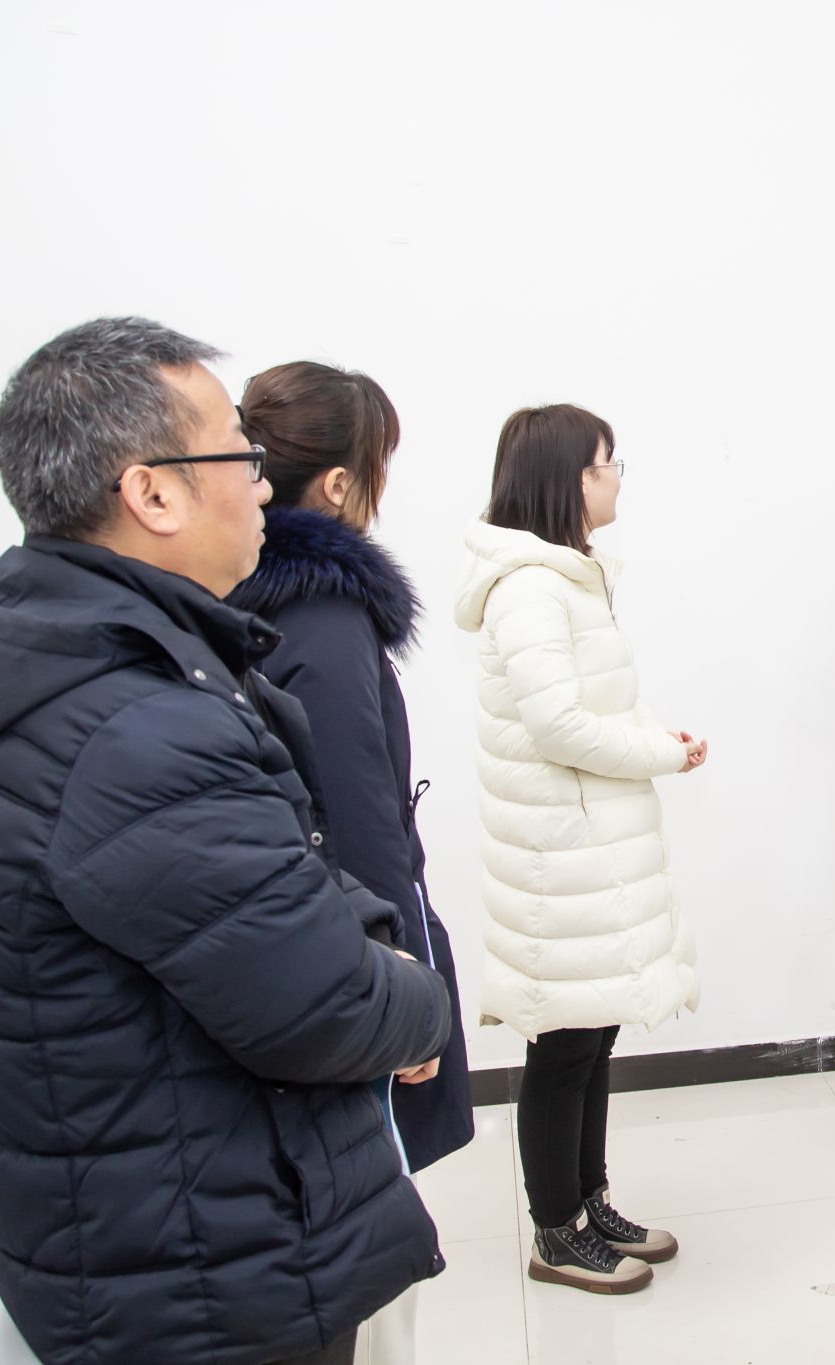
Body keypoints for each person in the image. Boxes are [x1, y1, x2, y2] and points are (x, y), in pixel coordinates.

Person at [0, 318, 452, 1365]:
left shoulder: (74, 666)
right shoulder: (135, 726)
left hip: (143, 1241)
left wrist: (354, 941)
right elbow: (322, 1004)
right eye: (239, 454)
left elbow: (282, 883)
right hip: (206, 1284)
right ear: (152, 494)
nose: (263, 485)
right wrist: (420, 1001)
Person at [227, 361, 476, 1362]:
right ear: (337, 484)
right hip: (346, 962)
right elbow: (359, 821)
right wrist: (403, 992)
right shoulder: (327, 616)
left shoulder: (236, 598)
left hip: (286, 953)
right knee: (371, 1255)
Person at [454, 403, 703, 1295]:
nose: (617, 476)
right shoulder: (531, 587)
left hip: (586, 849)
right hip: (557, 860)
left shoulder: (571, 575)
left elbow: (597, 704)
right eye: (607, 462)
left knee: (593, 1033)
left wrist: (655, 734)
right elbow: (558, 725)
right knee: (564, 1046)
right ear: (570, 479)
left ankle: (591, 1203)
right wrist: (659, 753)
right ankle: (556, 1232)